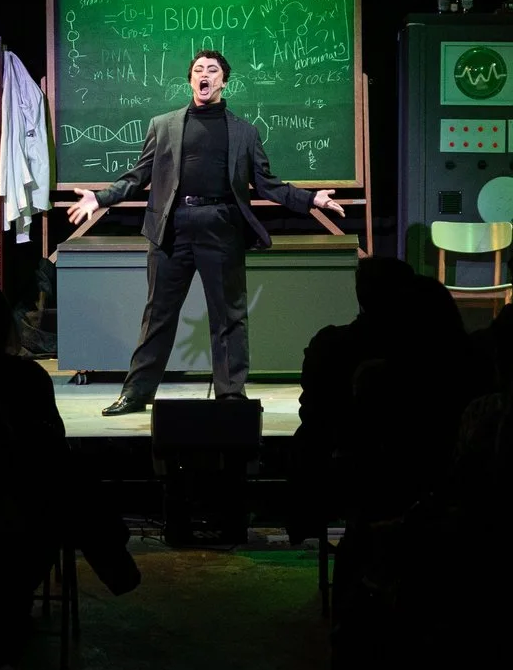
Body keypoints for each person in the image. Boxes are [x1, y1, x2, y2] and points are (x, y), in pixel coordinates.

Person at [64, 48, 346, 414]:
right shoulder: (163, 125)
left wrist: (311, 199)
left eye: (212, 70)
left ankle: (230, 395)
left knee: (229, 316)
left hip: (222, 227)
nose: (205, 74)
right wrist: (100, 198)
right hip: (172, 228)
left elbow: (267, 184)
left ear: (223, 81)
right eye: (199, 69)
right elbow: (137, 178)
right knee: (158, 316)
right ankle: (136, 394)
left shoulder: (244, 132)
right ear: (190, 80)